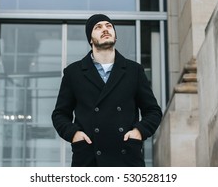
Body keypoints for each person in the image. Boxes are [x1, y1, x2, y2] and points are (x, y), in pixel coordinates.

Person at [52, 14, 162, 167]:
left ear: (115, 36)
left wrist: (139, 132)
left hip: (126, 158)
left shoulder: (133, 70)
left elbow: (153, 111)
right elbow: (59, 115)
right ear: (90, 39)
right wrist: (74, 134)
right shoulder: (73, 72)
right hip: (88, 159)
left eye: (109, 26)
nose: (105, 29)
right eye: (98, 27)